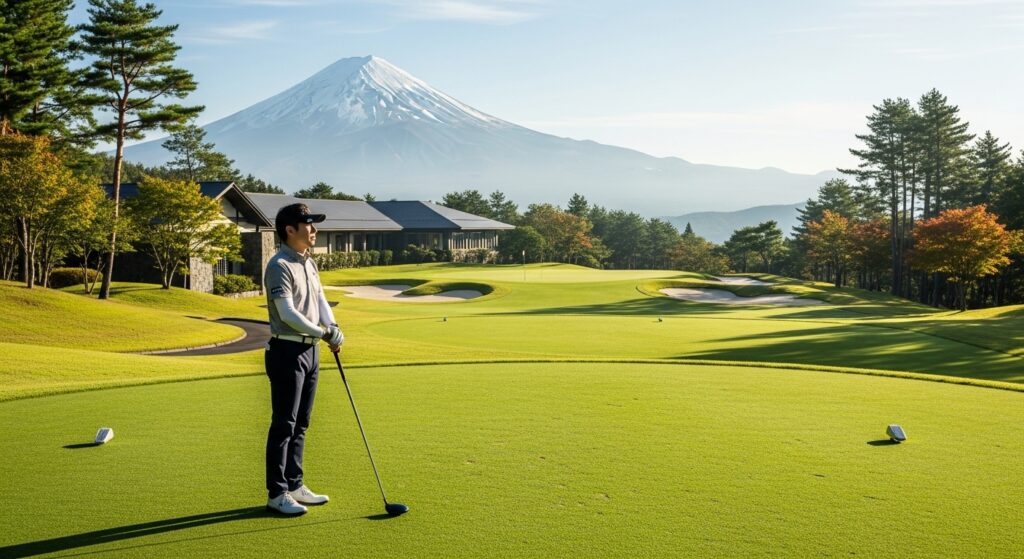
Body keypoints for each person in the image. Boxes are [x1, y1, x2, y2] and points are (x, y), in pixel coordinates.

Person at [263, 202, 344, 516]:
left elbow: (321, 299)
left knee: (302, 424)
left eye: (314, 225)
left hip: (310, 351)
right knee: (284, 424)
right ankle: (277, 492)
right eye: (308, 225)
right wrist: (323, 332)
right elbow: (287, 313)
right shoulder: (279, 265)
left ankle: (295, 484)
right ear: (290, 230)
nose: (314, 230)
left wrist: (333, 327)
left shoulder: (308, 263)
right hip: (286, 351)